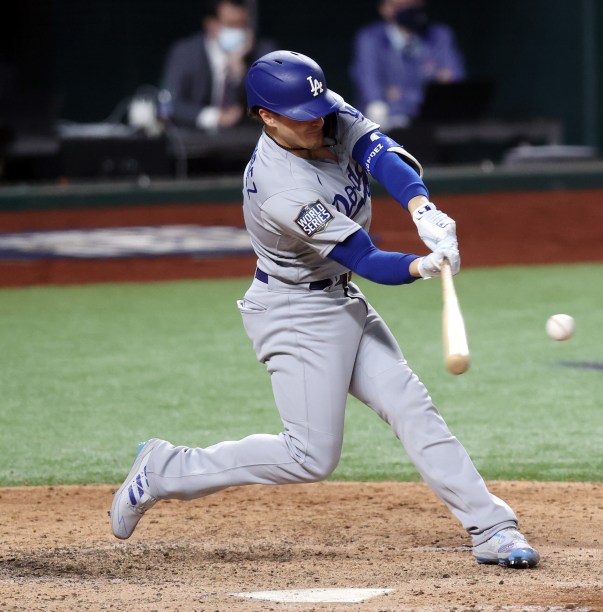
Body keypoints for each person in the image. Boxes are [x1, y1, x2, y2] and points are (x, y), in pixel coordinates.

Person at [109, 50, 540, 570]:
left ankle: (491, 528)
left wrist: (421, 206)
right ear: (267, 117)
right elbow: (366, 258)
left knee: (411, 406)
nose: (317, 121)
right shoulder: (281, 188)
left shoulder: (318, 112)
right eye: (301, 115)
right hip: (294, 313)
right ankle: (162, 469)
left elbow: (379, 152)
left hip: (341, 299)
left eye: (318, 108)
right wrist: (425, 266)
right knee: (309, 457)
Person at [160, 0, 277, 131]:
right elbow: (171, 104)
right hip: (195, 142)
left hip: (244, 143)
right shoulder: (185, 53)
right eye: (232, 25)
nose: (239, 31)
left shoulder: (263, 54)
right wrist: (215, 117)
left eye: (243, 25)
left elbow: (270, 106)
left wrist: (238, 73)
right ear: (211, 24)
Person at [351, 0, 465, 129]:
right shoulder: (370, 38)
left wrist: (400, 95)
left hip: (433, 122)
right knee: (377, 113)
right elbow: (370, 85)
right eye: (402, 6)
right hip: (389, 125)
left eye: (414, 4)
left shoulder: (439, 35)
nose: (409, 9)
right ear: (385, 9)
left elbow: (454, 81)